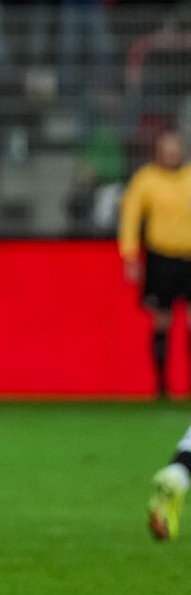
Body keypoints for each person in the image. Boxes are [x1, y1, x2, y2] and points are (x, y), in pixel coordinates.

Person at [119, 130, 191, 400]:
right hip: (161, 258)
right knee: (163, 321)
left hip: (190, 258)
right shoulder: (146, 179)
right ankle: (161, 386)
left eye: (175, 147)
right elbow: (130, 217)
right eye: (166, 148)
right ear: (158, 151)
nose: (172, 152)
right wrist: (130, 256)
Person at [148, 423, 191, 541]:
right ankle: (164, 528)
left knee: (165, 506)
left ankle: (164, 529)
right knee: (168, 507)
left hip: (174, 472)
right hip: (175, 475)